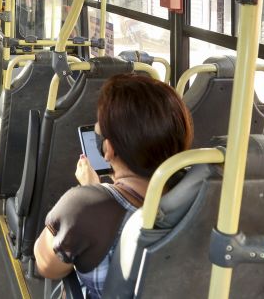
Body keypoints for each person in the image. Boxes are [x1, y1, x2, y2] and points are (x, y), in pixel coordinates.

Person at [34, 74, 193, 297]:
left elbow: (46, 266)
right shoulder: (207, 195)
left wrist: (89, 194)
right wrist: (98, 190)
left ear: (107, 149)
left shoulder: (84, 206)